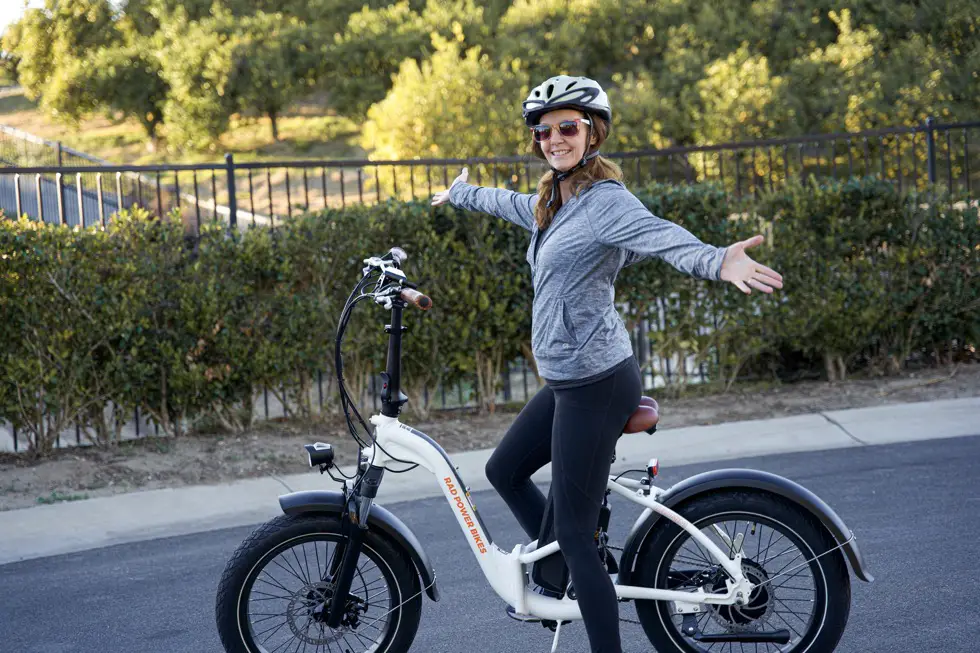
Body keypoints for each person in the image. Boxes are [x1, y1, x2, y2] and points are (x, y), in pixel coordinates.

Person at [431, 75, 783, 653]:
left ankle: (582, 573)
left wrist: (718, 260)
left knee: (570, 532)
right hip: (568, 382)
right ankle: (575, 566)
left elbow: (659, 236)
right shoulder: (554, 201)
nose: (554, 139)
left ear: (592, 133)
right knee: (504, 472)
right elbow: (515, 206)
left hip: (597, 384)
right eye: (544, 131)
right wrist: (464, 194)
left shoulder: (606, 204)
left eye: (567, 127)